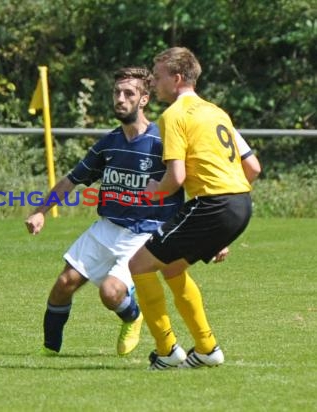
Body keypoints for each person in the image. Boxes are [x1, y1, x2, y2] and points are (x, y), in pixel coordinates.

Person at [25, 67, 186, 356]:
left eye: (129, 93)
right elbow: (72, 180)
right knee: (63, 284)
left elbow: (191, 183)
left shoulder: (162, 142)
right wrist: (41, 212)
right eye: (117, 93)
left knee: (110, 292)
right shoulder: (109, 143)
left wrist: (214, 236)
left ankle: (133, 315)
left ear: (144, 99)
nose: (120, 99)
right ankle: (49, 352)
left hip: (144, 234)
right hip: (107, 227)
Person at [127, 47, 257, 369]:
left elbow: (176, 178)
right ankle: (206, 348)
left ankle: (167, 352)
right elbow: (252, 167)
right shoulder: (217, 112)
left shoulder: (173, 116)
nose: (154, 84)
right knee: (171, 268)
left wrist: (151, 194)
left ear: (177, 78)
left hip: (213, 203)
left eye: (157, 77)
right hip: (240, 203)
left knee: (139, 265)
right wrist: (222, 225)